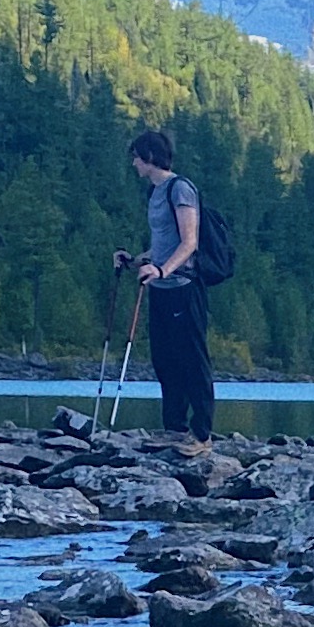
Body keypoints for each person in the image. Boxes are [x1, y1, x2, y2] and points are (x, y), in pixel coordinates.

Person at [122, 126, 214, 440]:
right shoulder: (154, 192)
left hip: (183, 288)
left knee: (192, 359)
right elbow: (163, 244)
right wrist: (136, 260)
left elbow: (189, 242)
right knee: (165, 360)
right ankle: (174, 428)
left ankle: (202, 433)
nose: (133, 164)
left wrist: (161, 271)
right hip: (160, 290)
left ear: (149, 157)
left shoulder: (181, 189)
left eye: (136, 157)